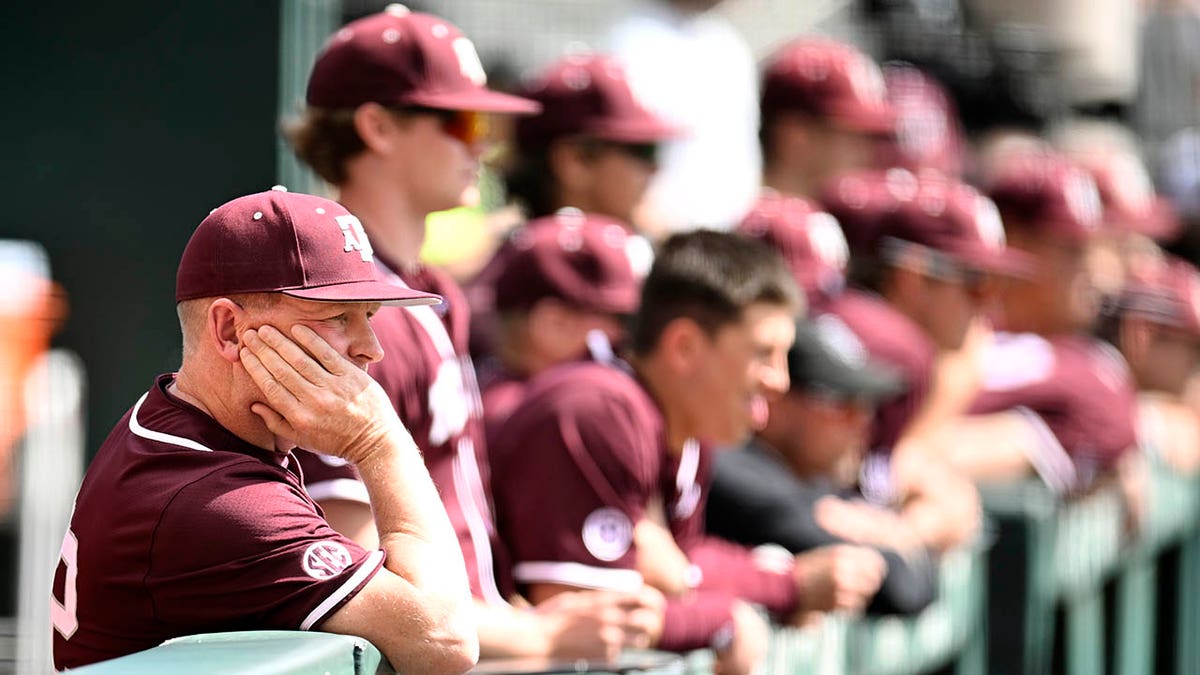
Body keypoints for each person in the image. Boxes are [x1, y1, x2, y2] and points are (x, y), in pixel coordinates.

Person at [285, 6, 664, 661]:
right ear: (376, 125)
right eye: (461, 121)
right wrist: (538, 634)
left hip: (473, 643)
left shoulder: (433, 293)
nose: (483, 144)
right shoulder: (337, 307)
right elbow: (355, 565)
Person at [50, 189, 477, 672]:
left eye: (370, 316)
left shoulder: (174, 415)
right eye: (338, 317)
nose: (371, 349)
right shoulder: (218, 501)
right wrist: (380, 443)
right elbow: (445, 641)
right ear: (229, 329)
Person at [489, 230, 888, 673]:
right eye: (763, 353)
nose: (779, 381)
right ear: (685, 348)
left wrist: (785, 583)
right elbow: (582, 614)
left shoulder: (683, 419)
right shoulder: (598, 407)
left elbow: (682, 564)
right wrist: (723, 618)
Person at [935, 151, 1140, 497]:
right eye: (1071, 250)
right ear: (1014, 242)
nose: (1093, 272)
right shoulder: (958, 336)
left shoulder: (1064, 353)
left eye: (1091, 249)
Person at [706, 318, 938, 617]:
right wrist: (907, 542)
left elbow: (921, 577)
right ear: (775, 400)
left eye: (866, 406)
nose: (862, 423)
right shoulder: (731, 473)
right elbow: (899, 585)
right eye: (841, 404)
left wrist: (906, 537)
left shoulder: (806, 479)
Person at [466, 52, 672, 360]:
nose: (655, 169)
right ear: (574, 160)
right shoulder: (499, 294)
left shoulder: (654, 256)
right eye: (642, 150)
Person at [476, 210, 640, 440]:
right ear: (554, 324)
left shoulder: (489, 395)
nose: (625, 335)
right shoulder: (539, 419)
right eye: (620, 320)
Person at [606, 0, 760, 233]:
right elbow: (619, 165)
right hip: (666, 245)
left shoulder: (728, 43)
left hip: (732, 243)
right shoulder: (633, 42)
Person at [758, 37, 895, 202]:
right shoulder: (730, 218)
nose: (867, 153)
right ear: (795, 137)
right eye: (853, 138)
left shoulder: (830, 223)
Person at [1099, 256, 1200, 474]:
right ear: (1142, 335)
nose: (1196, 367)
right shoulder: (1092, 370)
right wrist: (1151, 427)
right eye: (1195, 348)